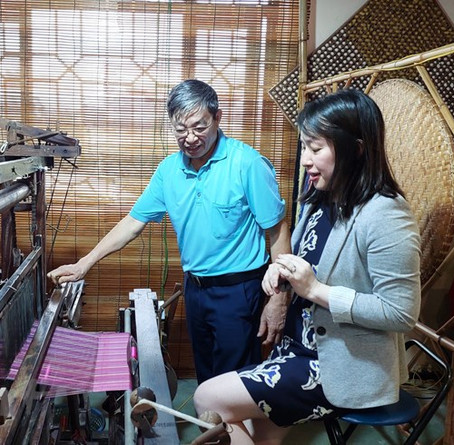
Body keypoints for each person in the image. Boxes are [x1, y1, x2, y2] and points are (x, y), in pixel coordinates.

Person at [193, 89, 421, 444]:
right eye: (304, 147)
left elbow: (400, 312)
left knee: (209, 397)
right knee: (260, 433)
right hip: (296, 349)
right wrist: (281, 270)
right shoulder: (321, 199)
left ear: (356, 149)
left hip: (340, 367)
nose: (305, 160)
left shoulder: (386, 213)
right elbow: (306, 260)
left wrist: (316, 291)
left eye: (316, 148)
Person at [47, 79, 291, 383]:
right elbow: (132, 223)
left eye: (199, 127)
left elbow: (277, 231)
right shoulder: (168, 171)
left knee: (237, 382)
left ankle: (238, 432)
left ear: (218, 118)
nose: (190, 138)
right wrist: (84, 263)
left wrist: (279, 298)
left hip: (239, 290)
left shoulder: (248, 164)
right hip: (196, 289)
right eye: (180, 129)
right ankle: (214, 428)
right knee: (208, 378)